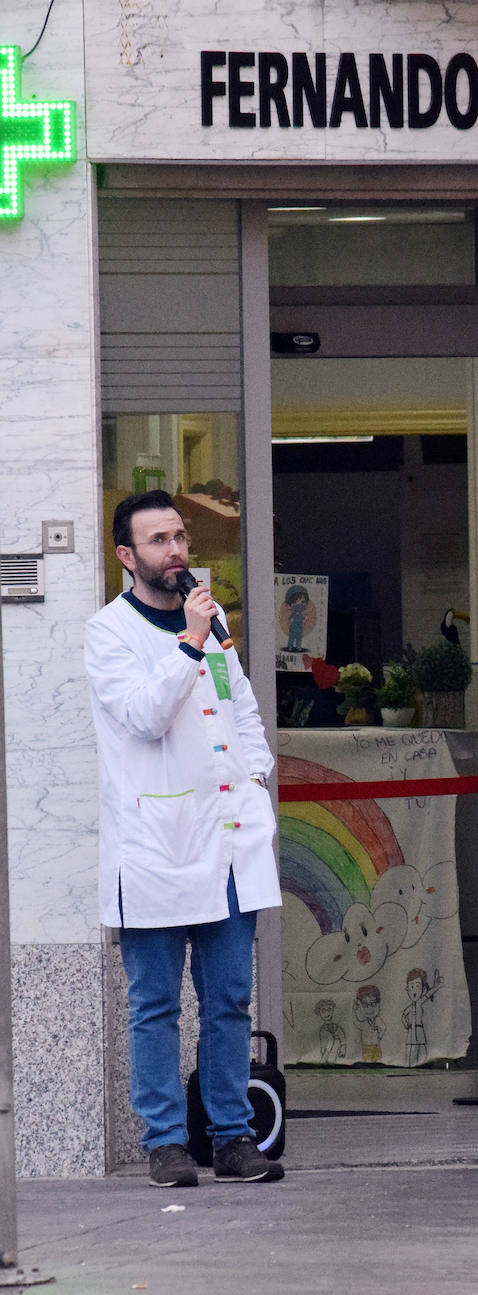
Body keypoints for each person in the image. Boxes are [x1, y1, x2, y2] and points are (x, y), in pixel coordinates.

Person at [85, 490, 285, 1186]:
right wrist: (190, 641)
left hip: (230, 843)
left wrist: (256, 773)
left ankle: (231, 1137)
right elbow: (144, 715)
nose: (175, 551)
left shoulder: (215, 616)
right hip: (156, 847)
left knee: (230, 1000)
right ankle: (166, 1142)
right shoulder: (108, 632)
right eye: (158, 540)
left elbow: (240, 704)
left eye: (179, 537)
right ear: (126, 556)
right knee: (157, 1005)